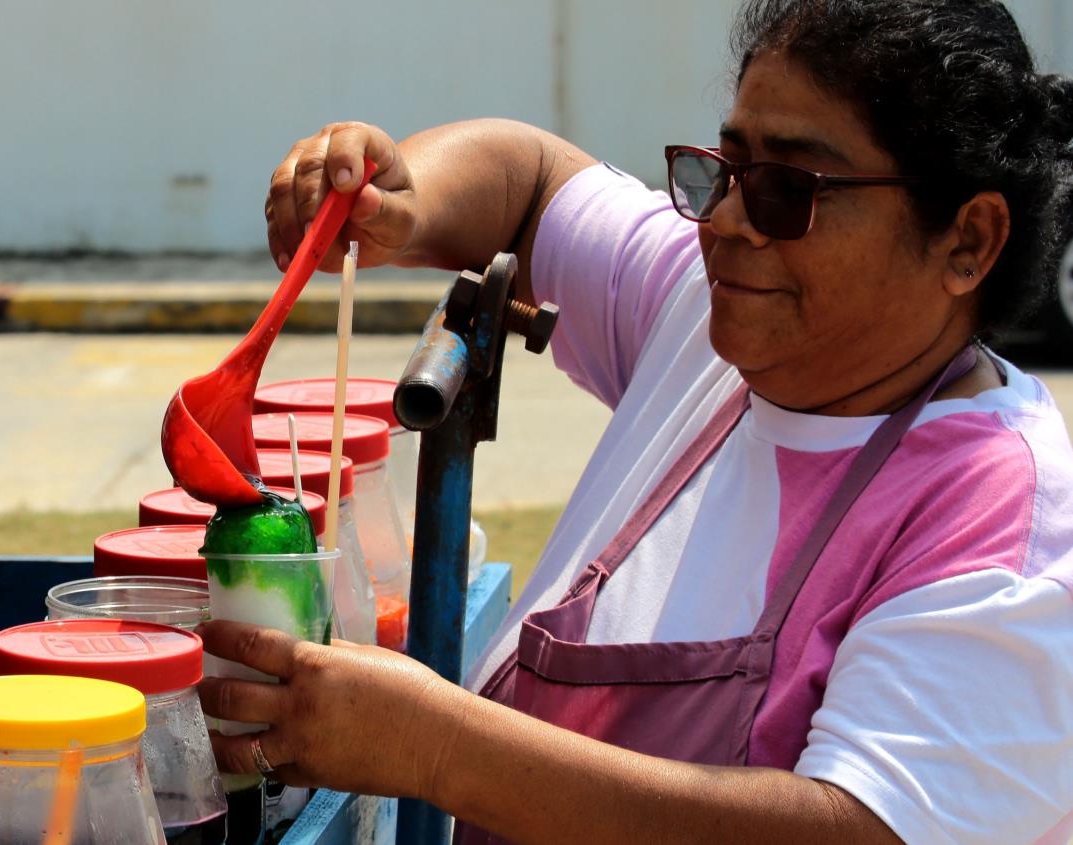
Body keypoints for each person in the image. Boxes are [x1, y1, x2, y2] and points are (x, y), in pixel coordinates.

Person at [196, 0, 1073, 841]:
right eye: (723, 171)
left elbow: (859, 829)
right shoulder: (716, 317)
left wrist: (435, 745)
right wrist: (400, 202)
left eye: (786, 190)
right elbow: (530, 183)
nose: (726, 222)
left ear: (968, 240)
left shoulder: (1000, 521)